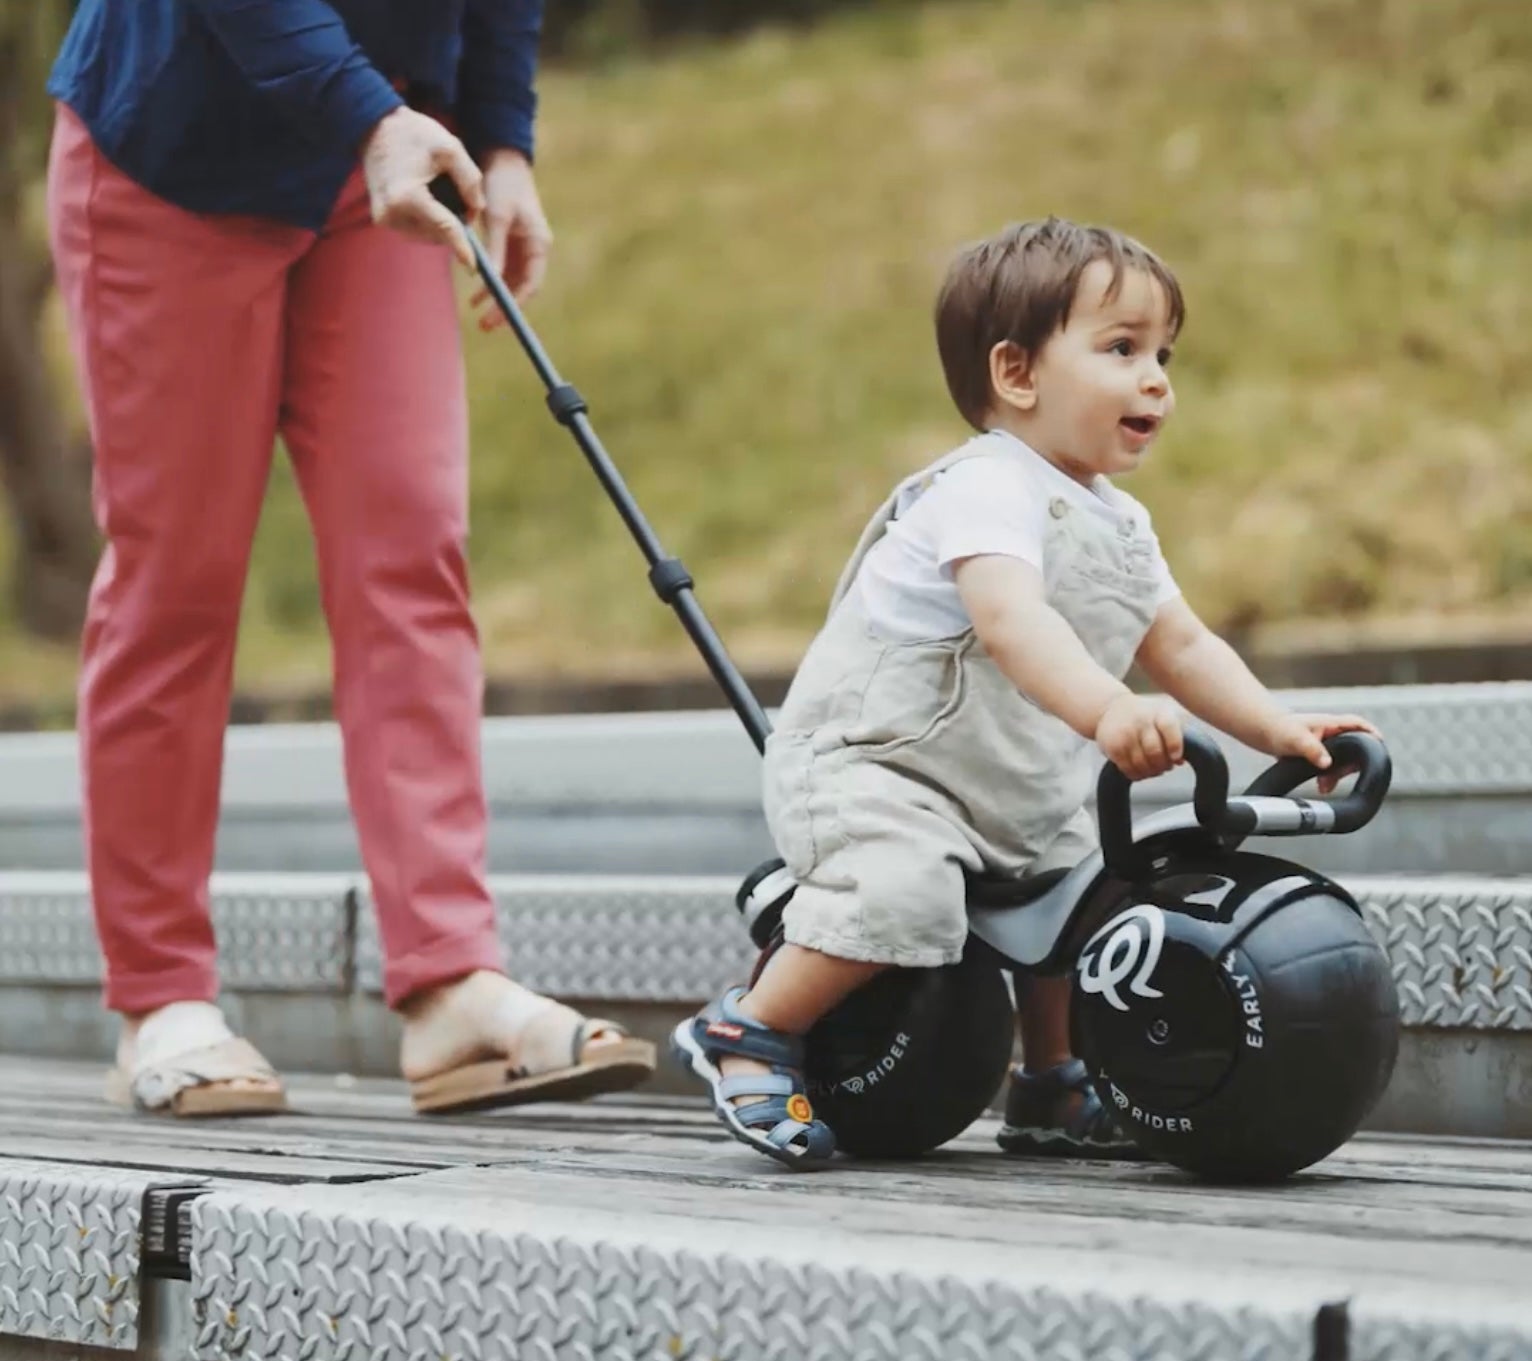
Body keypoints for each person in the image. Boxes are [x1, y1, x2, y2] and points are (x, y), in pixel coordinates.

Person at [43, 0, 655, 1117]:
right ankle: (160, 997)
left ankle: (449, 978)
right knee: (176, 580)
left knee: (411, 552)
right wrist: (367, 113)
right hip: (174, 147)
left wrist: (503, 138)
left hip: (374, 162)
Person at [671, 216, 1381, 1169]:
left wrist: (1280, 728)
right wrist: (1109, 709)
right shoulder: (985, 486)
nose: (1156, 378)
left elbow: (1181, 642)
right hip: (880, 772)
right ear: (1016, 373)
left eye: (1163, 354)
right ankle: (750, 1028)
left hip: (1010, 787)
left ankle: (1050, 1080)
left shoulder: (1123, 523)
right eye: (1122, 348)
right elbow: (1011, 621)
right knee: (902, 888)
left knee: (1082, 896)